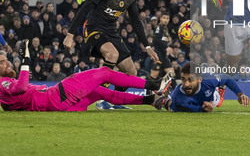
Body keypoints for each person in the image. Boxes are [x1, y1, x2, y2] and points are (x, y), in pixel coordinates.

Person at [63, 0, 159, 109]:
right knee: (112, 55)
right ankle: (102, 98)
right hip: (94, 28)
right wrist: (70, 34)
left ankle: (112, 101)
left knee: (131, 71)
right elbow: (85, 8)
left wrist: (147, 46)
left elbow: (135, 21)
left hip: (111, 31)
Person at [0, 40, 171, 111]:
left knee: (100, 92)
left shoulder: (5, 87)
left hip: (58, 106)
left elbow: (18, 95)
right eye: (2, 62)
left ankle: (151, 101)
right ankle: (155, 85)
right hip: (55, 96)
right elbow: (22, 87)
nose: (7, 62)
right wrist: (26, 59)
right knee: (104, 72)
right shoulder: (2, 83)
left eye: (5, 60)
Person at [154, 63, 250, 112]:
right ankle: (165, 100)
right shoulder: (181, 99)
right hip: (185, 103)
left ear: (200, 79)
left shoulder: (209, 80)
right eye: (183, 79)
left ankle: (220, 90)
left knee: (215, 100)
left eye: (190, 80)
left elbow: (227, 78)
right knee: (171, 106)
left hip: (211, 97)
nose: (186, 84)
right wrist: (204, 109)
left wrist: (240, 94)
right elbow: (197, 110)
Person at [150, 11, 175, 80]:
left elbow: (163, 40)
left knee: (172, 74)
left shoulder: (166, 29)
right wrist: (166, 47)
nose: (166, 20)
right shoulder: (159, 27)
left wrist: (170, 45)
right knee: (153, 76)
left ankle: (174, 90)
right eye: (164, 18)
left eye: (167, 18)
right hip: (158, 54)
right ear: (160, 19)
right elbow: (156, 40)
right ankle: (148, 90)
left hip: (164, 55)